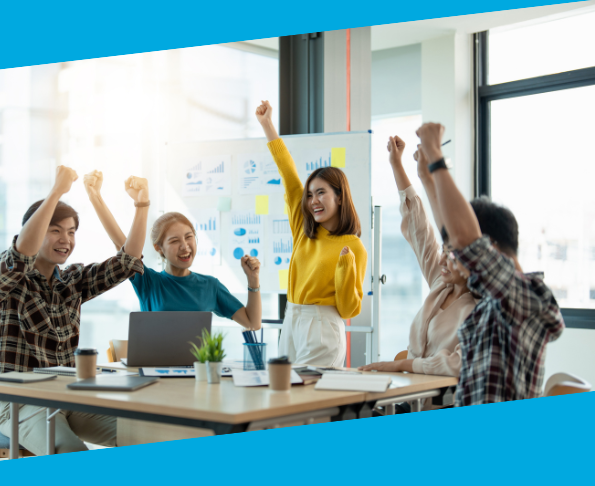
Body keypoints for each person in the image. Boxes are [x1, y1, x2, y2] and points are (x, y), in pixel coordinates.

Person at [0, 165, 149, 454]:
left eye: (71, 232)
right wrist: (57, 191)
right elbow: (22, 255)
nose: (66, 240)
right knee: (72, 453)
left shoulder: (72, 280)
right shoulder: (5, 278)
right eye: (56, 230)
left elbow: (128, 261)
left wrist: (141, 205)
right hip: (21, 402)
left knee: (145, 433)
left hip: (71, 398)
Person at [413, 122, 564, 405]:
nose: (454, 261)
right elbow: (454, 235)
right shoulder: (493, 300)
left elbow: (464, 239)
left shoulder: (525, 296)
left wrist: (436, 157)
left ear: (490, 248)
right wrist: (425, 175)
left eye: (460, 255)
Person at [255, 100, 367, 366]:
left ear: (340, 197)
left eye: (321, 193)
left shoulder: (354, 247)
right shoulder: (304, 231)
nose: (313, 201)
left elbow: (349, 309)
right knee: (286, 397)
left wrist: (345, 268)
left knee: (312, 402)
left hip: (322, 325)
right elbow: (288, 172)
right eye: (309, 195)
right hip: (291, 318)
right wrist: (267, 125)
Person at [359, 136, 477, 380]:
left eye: (451, 255)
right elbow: (419, 227)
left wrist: (403, 365)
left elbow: (458, 364)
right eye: (443, 252)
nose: (443, 261)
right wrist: (396, 164)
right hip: (409, 392)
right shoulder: (441, 282)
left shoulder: (476, 309)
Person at [84, 170, 262, 330]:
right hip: (154, 366)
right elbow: (119, 241)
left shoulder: (210, 286)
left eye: (189, 237)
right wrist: (95, 197)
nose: (185, 246)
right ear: (159, 249)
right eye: (175, 241)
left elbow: (252, 323)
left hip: (197, 367)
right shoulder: (149, 281)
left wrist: (253, 280)